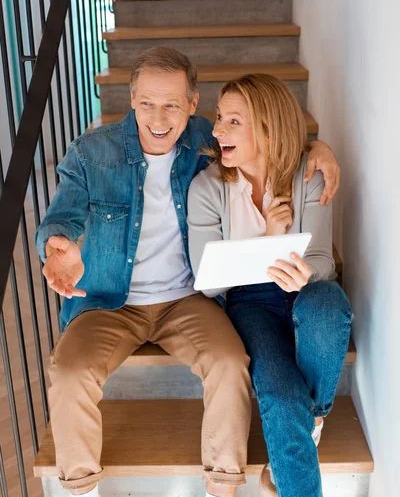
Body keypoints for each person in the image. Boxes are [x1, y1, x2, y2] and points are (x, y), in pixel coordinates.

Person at [35, 48, 341, 497]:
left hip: (188, 299)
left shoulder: (207, 140)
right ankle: (80, 488)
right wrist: (57, 243)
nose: (158, 118)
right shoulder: (91, 153)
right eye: (146, 104)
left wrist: (319, 148)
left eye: (172, 105)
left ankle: (224, 485)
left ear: (193, 104)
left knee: (229, 362)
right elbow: (61, 217)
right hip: (108, 300)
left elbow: (271, 136)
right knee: (68, 372)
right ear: (132, 98)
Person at [187, 73, 352, 497]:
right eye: (219, 118)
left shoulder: (309, 175)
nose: (217, 129)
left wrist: (304, 274)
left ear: (268, 127)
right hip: (250, 301)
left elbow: (319, 261)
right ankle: (304, 426)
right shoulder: (207, 188)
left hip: (306, 290)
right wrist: (267, 244)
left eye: (232, 121)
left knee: (329, 304)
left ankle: (310, 417)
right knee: (279, 396)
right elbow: (207, 280)